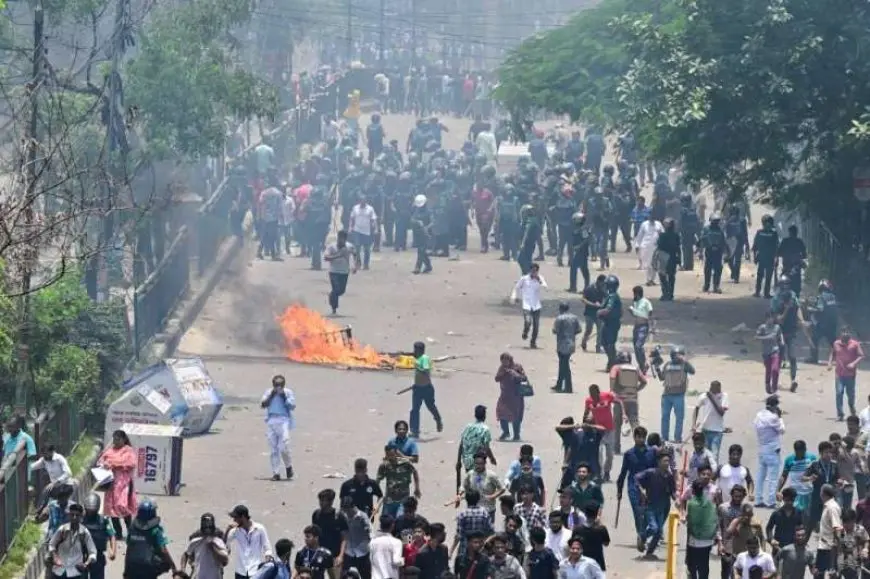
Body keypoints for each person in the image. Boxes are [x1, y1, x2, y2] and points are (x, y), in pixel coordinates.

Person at [617, 426, 656, 550]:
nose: (641, 439)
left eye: (643, 437)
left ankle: (643, 534)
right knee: (638, 512)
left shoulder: (651, 452)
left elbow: (656, 470)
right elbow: (623, 472)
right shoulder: (629, 454)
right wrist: (619, 489)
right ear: (634, 438)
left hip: (648, 487)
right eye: (638, 437)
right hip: (633, 487)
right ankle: (640, 535)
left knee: (647, 512)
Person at [97, 429, 138, 539]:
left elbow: (131, 463)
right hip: (110, 483)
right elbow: (101, 461)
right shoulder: (110, 450)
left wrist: (115, 464)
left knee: (123, 506)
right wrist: (104, 464)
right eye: (114, 439)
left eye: (118, 439)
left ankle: (130, 530)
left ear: (124, 439)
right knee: (111, 509)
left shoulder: (128, 451)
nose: (115, 441)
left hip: (124, 483)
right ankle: (118, 532)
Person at [635, 450, 677, 557]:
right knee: (654, 528)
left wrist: (677, 499)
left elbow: (673, 492)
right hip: (650, 506)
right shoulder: (650, 472)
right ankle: (642, 537)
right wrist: (641, 490)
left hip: (663, 508)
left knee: (659, 533)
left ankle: (649, 553)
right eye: (665, 461)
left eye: (668, 461)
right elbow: (636, 478)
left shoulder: (669, 476)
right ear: (658, 462)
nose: (667, 463)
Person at [124, 499, 177, 579]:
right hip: (148, 568)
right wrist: (173, 566)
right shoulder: (156, 529)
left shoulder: (132, 527)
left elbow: (129, 544)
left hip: (130, 567)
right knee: (165, 562)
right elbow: (163, 550)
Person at [260, 374, 296, 481]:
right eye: (276, 385)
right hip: (271, 420)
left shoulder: (288, 392)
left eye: (280, 385)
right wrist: (272, 395)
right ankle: (276, 473)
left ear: (283, 385)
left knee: (284, 446)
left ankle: (288, 466)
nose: (278, 387)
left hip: (283, 420)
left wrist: (283, 395)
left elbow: (292, 406)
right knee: (273, 449)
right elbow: (263, 404)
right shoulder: (269, 392)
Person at [48, 503, 97, 579]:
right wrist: (55, 557)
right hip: (59, 571)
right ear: (69, 515)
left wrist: (86, 564)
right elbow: (51, 544)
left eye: (77, 515)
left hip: (75, 573)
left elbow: (93, 552)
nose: (74, 517)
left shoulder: (84, 532)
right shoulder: (62, 529)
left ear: (81, 516)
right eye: (72, 514)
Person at [753, 395, 785, 508]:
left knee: (761, 476)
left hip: (761, 447)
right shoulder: (773, 418)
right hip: (772, 449)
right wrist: (780, 417)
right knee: (773, 477)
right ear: (775, 405)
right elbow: (782, 430)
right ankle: (771, 501)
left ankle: (758, 499)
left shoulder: (759, 415)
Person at [584, 385, 620, 482]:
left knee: (610, 455)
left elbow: (618, 401)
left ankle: (607, 472)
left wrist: (623, 414)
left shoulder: (607, 396)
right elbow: (586, 413)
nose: (592, 396)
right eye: (590, 393)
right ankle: (599, 473)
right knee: (598, 453)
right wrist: (585, 425)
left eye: (594, 394)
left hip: (610, 430)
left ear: (598, 392)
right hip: (597, 431)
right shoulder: (589, 401)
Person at [226, 505, 272, 579]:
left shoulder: (259, 528)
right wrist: (228, 530)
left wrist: (267, 559)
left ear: (243, 517)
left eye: (236, 517)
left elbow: (267, 548)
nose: (234, 520)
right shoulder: (235, 531)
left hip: (255, 571)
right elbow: (225, 545)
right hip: (240, 571)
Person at [684, 479, 718, 579]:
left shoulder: (691, 503)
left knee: (692, 565)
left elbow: (691, 522)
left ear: (693, 491)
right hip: (707, 540)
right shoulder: (709, 502)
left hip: (694, 540)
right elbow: (713, 519)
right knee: (704, 564)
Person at [829, 326, 865, 421]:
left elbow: (861, 355)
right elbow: (832, 353)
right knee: (839, 393)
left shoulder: (855, 344)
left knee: (850, 395)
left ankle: (851, 407)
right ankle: (840, 414)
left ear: (850, 333)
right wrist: (830, 363)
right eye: (843, 332)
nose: (845, 334)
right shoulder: (836, 343)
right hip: (839, 374)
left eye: (847, 332)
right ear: (840, 333)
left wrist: (853, 363)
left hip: (850, 375)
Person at [408, 341, 442, 438]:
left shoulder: (425, 359)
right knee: (415, 410)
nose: (414, 351)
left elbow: (426, 371)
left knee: (430, 406)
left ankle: (438, 419)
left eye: (415, 349)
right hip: (417, 388)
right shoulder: (418, 358)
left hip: (427, 388)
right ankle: (415, 431)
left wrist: (417, 366)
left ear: (420, 350)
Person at [377, 446, 421, 518]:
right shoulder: (384, 465)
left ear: (396, 453)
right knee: (386, 521)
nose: (390, 457)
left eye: (392, 454)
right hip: (389, 499)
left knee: (399, 519)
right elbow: (378, 480)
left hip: (403, 498)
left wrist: (417, 488)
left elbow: (415, 473)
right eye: (388, 455)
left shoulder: (405, 463)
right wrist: (378, 494)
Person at [181, 513, 229, 579]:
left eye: (209, 526)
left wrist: (212, 547)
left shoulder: (218, 539)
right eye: (205, 527)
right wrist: (183, 570)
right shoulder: (195, 539)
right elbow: (186, 554)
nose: (207, 529)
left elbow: (225, 560)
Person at [461, 451, 506, 520]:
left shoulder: (491, 475)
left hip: (488, 509)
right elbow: (464, 486)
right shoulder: (470, 474)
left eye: (480, 464)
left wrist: (492, 496)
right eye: (476, 463)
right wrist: (460, 494)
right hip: (473, 509)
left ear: (485, 463)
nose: (478, 466)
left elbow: (502, 489)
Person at [511, 263, 547, 349]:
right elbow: (516, 287)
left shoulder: (540, 278)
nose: (534, 272)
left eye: (536, 271)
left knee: (536, 326)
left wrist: (539, 280)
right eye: (533, 270)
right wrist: (514, 297)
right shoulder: (524, 279)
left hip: (536, 305)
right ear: (530, 270)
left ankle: (533, 342)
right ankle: (525, 331)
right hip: (526, 305)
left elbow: (545, 287)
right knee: (528, 321)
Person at [323, 230, 359, 315]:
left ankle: (332, 296)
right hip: (333, 271)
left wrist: (356, 266)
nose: (340, 241)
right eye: (339, 238)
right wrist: (338, 255)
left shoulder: (349, 246)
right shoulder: (331, 247)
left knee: (341, 291)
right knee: (336, 289)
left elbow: (355, 255)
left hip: (344, 272)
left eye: (342, 239)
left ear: (345, 239)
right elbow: (326, 257)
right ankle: (334, 308)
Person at [81, 493, 117, 579]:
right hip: (81, 556)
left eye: (92, 511)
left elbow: (112, 535)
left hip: (98, 556)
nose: (90, 513)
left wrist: (113, 551)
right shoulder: (80, 519)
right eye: (88, 510)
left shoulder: (104, 520)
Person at [692, 380, 728, 461]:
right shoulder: (704, 396)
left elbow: (721, 412)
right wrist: (693, 424)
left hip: (717, 430)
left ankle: (713, 472)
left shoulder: (724, 396)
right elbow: (696, 408)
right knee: (705, 455)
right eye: (714, 388)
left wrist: (712, 397)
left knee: (714, 455)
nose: (717, 391)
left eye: (718, 388)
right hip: (705, 429)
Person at [777, 440, 816, 513]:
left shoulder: (812, 458)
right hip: (795, 493)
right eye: (799, 452)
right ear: (795, 451)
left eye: (803, 451)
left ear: (805, 449)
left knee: (809, 516)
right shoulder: (789, 460)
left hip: (809, 492)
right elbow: (783, 476)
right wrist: (778, 491)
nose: (801, 454)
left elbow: (816, 473)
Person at [312, 489, 348, 567]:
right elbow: (314, 534)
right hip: (320, 554)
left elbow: (344, 538)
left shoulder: (339, 516)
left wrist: (341, 556)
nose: (321, 503)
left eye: (323, 501)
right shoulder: (316, 514)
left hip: (335, 555)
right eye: (320, 500)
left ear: (331, 502)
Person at [496, 353, 528, 441]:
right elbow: (496, 378)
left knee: (516, 416)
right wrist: (503, 373)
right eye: (502, 361)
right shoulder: (502, 368)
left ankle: (516, 434)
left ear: (510, 360)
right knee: (501, 414)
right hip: (505, 395)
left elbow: (524, 378)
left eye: (506, 360)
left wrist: (514, 374)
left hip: (516, 396)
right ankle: (506, 432)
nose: (504, 363)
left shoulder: (517, 367)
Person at [33, 444, 75, 510]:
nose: (45, 456)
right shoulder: (44, 460)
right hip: (55, 487)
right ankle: (40, 511)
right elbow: (32, 467)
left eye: (46, 454)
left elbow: (68, 473)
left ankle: (41, 510)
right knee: (45, 493)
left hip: (66, 485)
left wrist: (56, 482)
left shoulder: (59, 459)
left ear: (52, 452)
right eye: (43, 454)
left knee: (47, 491)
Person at [552, 302, 581, 394]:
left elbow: (555, 330)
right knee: (563, 364)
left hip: (562, 344)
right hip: (571, 343)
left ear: (560, 309)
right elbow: (579, 330)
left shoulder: (559, 318)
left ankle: (568, 387)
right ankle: (559, 384)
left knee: (564, 365)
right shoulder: (574, 318)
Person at [571, 503, 610, 571]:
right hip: (598, 564)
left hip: (581, 565)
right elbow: (606, 543)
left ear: (585, 514)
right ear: (596, 514)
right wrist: (599, 523)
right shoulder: (601, 529)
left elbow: (572, 544)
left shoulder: (577, 529)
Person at [340, 496, 373, 577]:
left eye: (347, 510)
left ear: (353, 507)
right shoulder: (343, 516)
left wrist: (367, 529)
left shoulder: (362, 517)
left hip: (362, 552)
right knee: (344, 575)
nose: (346, 512)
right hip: (348, 552)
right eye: (344, 510)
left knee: (365, 575)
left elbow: (370, 534)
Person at [458, 405, 497, 474]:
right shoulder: (485, 429)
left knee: (471, 480)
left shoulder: (468, 427)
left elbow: (461, 444)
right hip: (478, 462)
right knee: (479, 481)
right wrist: (492, 459)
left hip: (467, 461)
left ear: (475, 415)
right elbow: (486, 448)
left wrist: (459, 461)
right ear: (484, 416)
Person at [815, 484, 842, 578]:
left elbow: (837, 528)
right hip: (824, 546)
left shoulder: (832, 507)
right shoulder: (827, 506)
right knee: (819, 573)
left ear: (823, 494)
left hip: (828, 548)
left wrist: (836, 549)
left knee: (830, 574)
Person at [597, 275, 623, 370]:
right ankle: (612, 360)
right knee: (604, 342)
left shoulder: (613, 296)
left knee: (610, 344)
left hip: (612, 324)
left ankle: (613, 362)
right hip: (608, 323)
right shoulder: (610, 295)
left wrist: (599, 312)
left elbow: (608, 309)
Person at [756, 311, 785, 395]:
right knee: (768, 370)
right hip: (766, 352)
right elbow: (756, 337)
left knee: (775, 370)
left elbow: (780, 336)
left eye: (772, 318)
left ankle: (774, 388)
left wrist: (782, 342)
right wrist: (767, 337)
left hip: (775, 351)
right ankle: (767, 383)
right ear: (766, 319)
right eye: (769, 318)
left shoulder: (777, 327)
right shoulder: (762, 327)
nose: (770, 320)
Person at [633, 212, 664, 285]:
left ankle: (652, 280)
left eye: (653, 216)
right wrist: (637, 245)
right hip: (646, 247)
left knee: (655, 265)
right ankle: (648, 280)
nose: (652, 217)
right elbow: (640, 235)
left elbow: (663, 234)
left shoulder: (658, 224)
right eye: (650, 216)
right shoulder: (644, 224)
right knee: (648, 264)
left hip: (656, 247)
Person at [628, 286, 654, 371]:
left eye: (634, 294)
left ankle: (644, 363)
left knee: (639, 346)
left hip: (643, 326)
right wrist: (631, 311)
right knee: (635, 347)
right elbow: (636, 314)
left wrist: (651, 326)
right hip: (636, 326)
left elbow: (650, 312)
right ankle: (641, 365)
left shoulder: (646, 302)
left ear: (637, 294)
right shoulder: (636, 303)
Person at [370, 515, 403, 579]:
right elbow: (397, 561)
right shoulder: (397, 542)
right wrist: (403, 560)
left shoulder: (373, 541)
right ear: (392, 526)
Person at [350, 195, 378, 269]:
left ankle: (366, 264)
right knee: (357, 247)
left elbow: (373, 219)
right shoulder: (355, 208)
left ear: (366, 201)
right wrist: (351, 228)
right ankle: (358, 263)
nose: (362, 202)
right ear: (359, 201)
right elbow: (352, 218)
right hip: (357, 230)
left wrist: (375, 229)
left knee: (367, 249)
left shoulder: (370, 209)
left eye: (364, 201)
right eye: (361, 200)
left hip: (366, 232)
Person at [579, 275, 605, 354]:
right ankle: (584, 341)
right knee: (588, 330)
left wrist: (602, 304)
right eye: (602, 283)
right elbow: (583, 299)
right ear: (598, 281)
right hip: (589, 313)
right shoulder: (589, 288)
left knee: (600, 330)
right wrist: (593, 304)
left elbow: (606, 298)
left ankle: (598, 347)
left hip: (599, 313)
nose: (603, 285)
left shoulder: (604, 288)